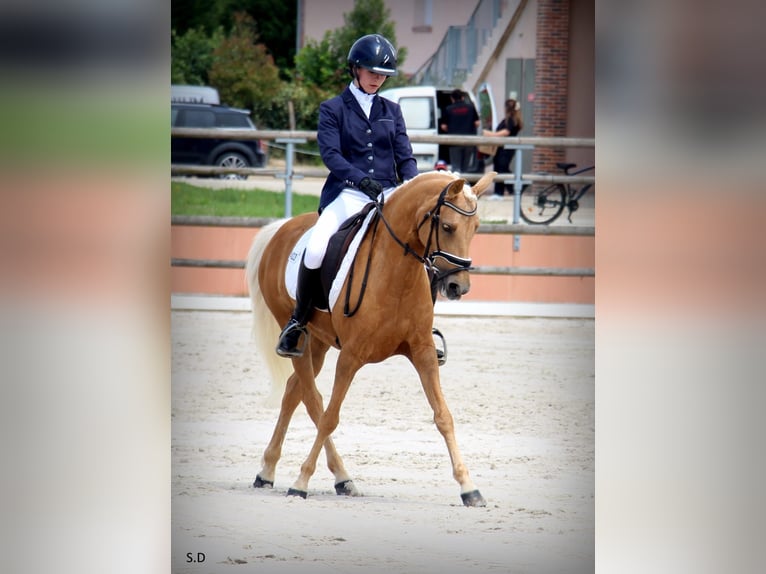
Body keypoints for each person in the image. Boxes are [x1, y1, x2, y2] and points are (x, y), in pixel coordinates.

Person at [276, 33, 419, 358]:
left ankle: (424, 326)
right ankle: (298, 320)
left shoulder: (392, 110)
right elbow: (331, 155)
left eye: (383, 75)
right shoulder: (333, 109)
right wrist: (360, 179)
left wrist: (411, 185)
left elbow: (404, 154)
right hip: (349, 194)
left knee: (422, 247)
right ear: (355, 69)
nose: (378, 79)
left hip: (390, 194)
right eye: (372, 73)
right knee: (315, 249)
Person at [483, 98, 524, 199]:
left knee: (501, 169)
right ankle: (507, 189)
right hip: (505, 148)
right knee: (501, 168)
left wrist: (492, 134)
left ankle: (503, 191)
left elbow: (506, 132)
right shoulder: (513, 119)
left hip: (506, 148)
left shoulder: (511, 119)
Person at [439, 89, 480, 173]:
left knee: (456, 167)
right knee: (466, 167)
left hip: (454, 142)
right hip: (469, 141)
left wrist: (451, 129)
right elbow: (477, 123)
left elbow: (443, 126)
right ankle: (464, 183)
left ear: (452, 99)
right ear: (462, 97)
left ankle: (457, 184)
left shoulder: (448, 109)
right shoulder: (471, 107)